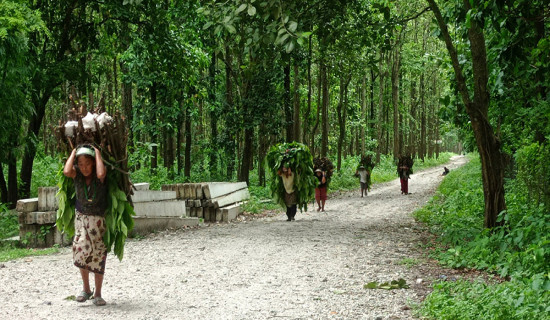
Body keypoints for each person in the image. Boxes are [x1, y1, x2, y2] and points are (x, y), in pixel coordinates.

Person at [63, 144, 108, 306]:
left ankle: (98, 293)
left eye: (87, 164)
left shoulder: (100, 176)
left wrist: (97, 152)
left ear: (94, 163)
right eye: (80, 165)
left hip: (98, 221)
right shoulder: (77, 176)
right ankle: (86, 289)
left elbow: (101, 172)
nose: (84, 168)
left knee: (98, 254)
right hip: (81, 219)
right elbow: (67, 171)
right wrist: (74, 151)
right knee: (80, 252)